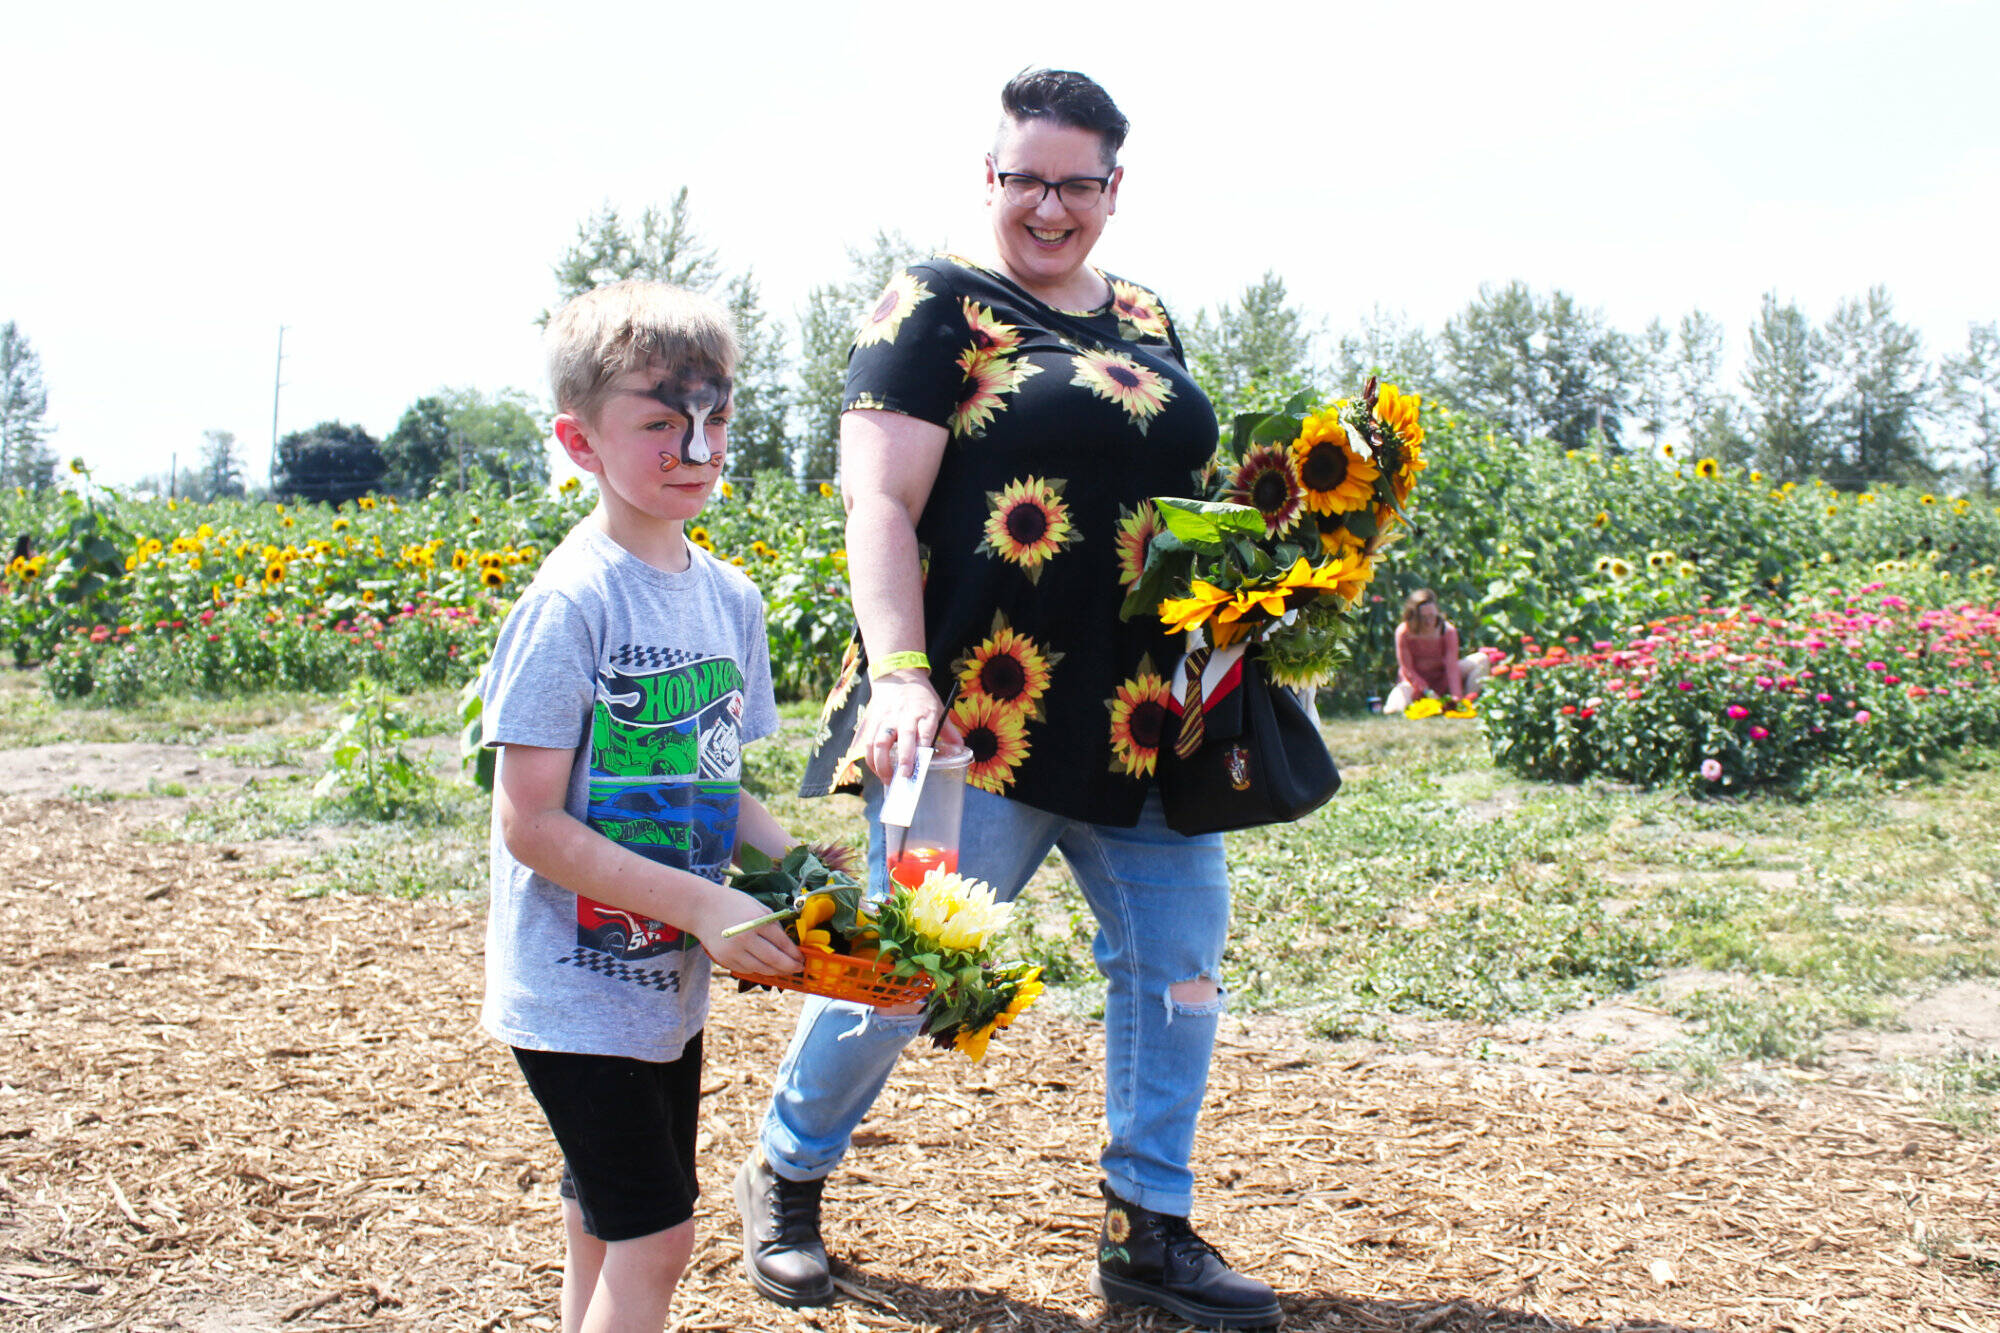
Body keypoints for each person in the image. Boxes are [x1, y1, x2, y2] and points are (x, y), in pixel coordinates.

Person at [732, 69, 1283, 1332]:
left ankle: (1145, 1228)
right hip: (976, 719)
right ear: (989, 178)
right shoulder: (934, 304)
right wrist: (899, 674)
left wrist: (1262, 571)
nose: (1047, 206)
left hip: (1148, 718)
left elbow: (1161, 498)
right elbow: (876, 501)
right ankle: (786, 1169)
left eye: (1072, 183)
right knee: (904, 970)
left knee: (1175, 971)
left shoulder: (1145, 313)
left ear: (1112, 189)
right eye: (1022, 178)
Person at [480, 281, 805, 1333]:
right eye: (661, 421)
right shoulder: (572, 601)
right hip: (575, 984)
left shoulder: (730, 600)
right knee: (659, 1236)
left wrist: (800, 867)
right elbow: (529, 821)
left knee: (604, 1218)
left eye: (713, 419)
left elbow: (711, 775)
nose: (695, 446)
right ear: (580, 441)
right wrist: (705, 907)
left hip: (662, 980)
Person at [1382, 587, 1488, 713]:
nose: (1428, 622)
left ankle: (1469, 701)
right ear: (1413, 616)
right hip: (1414, 684)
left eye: (1431, 616)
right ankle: (1417, 705)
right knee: (1393, 709)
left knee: (1482, 659)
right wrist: (1427, 691)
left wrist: (1457, 697)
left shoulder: (1447, 631)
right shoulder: (1404, 632)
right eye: (1423, 618)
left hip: (1442, 679)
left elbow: (1451, 666)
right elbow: (1407, 669)